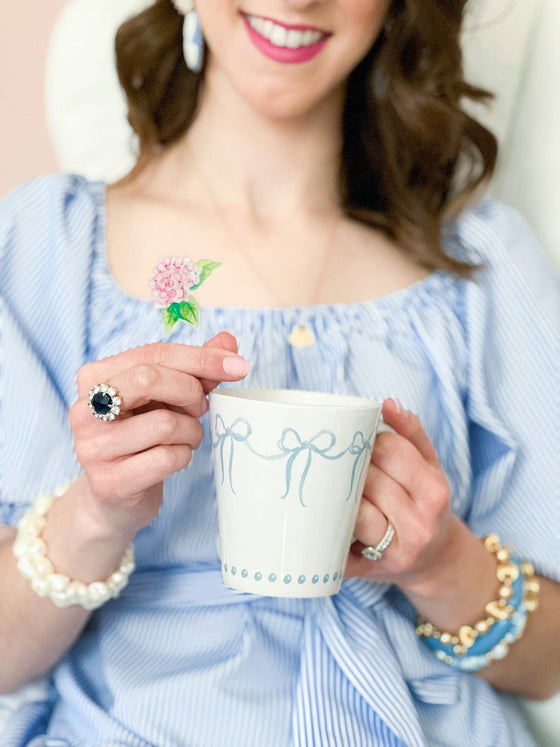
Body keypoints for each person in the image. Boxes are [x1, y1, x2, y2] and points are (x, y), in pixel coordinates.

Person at [0, 0, 559, 745]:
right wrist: (94, 516)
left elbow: (550, 664)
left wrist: (439, 561)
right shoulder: (51, 246)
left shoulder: (483, 268)